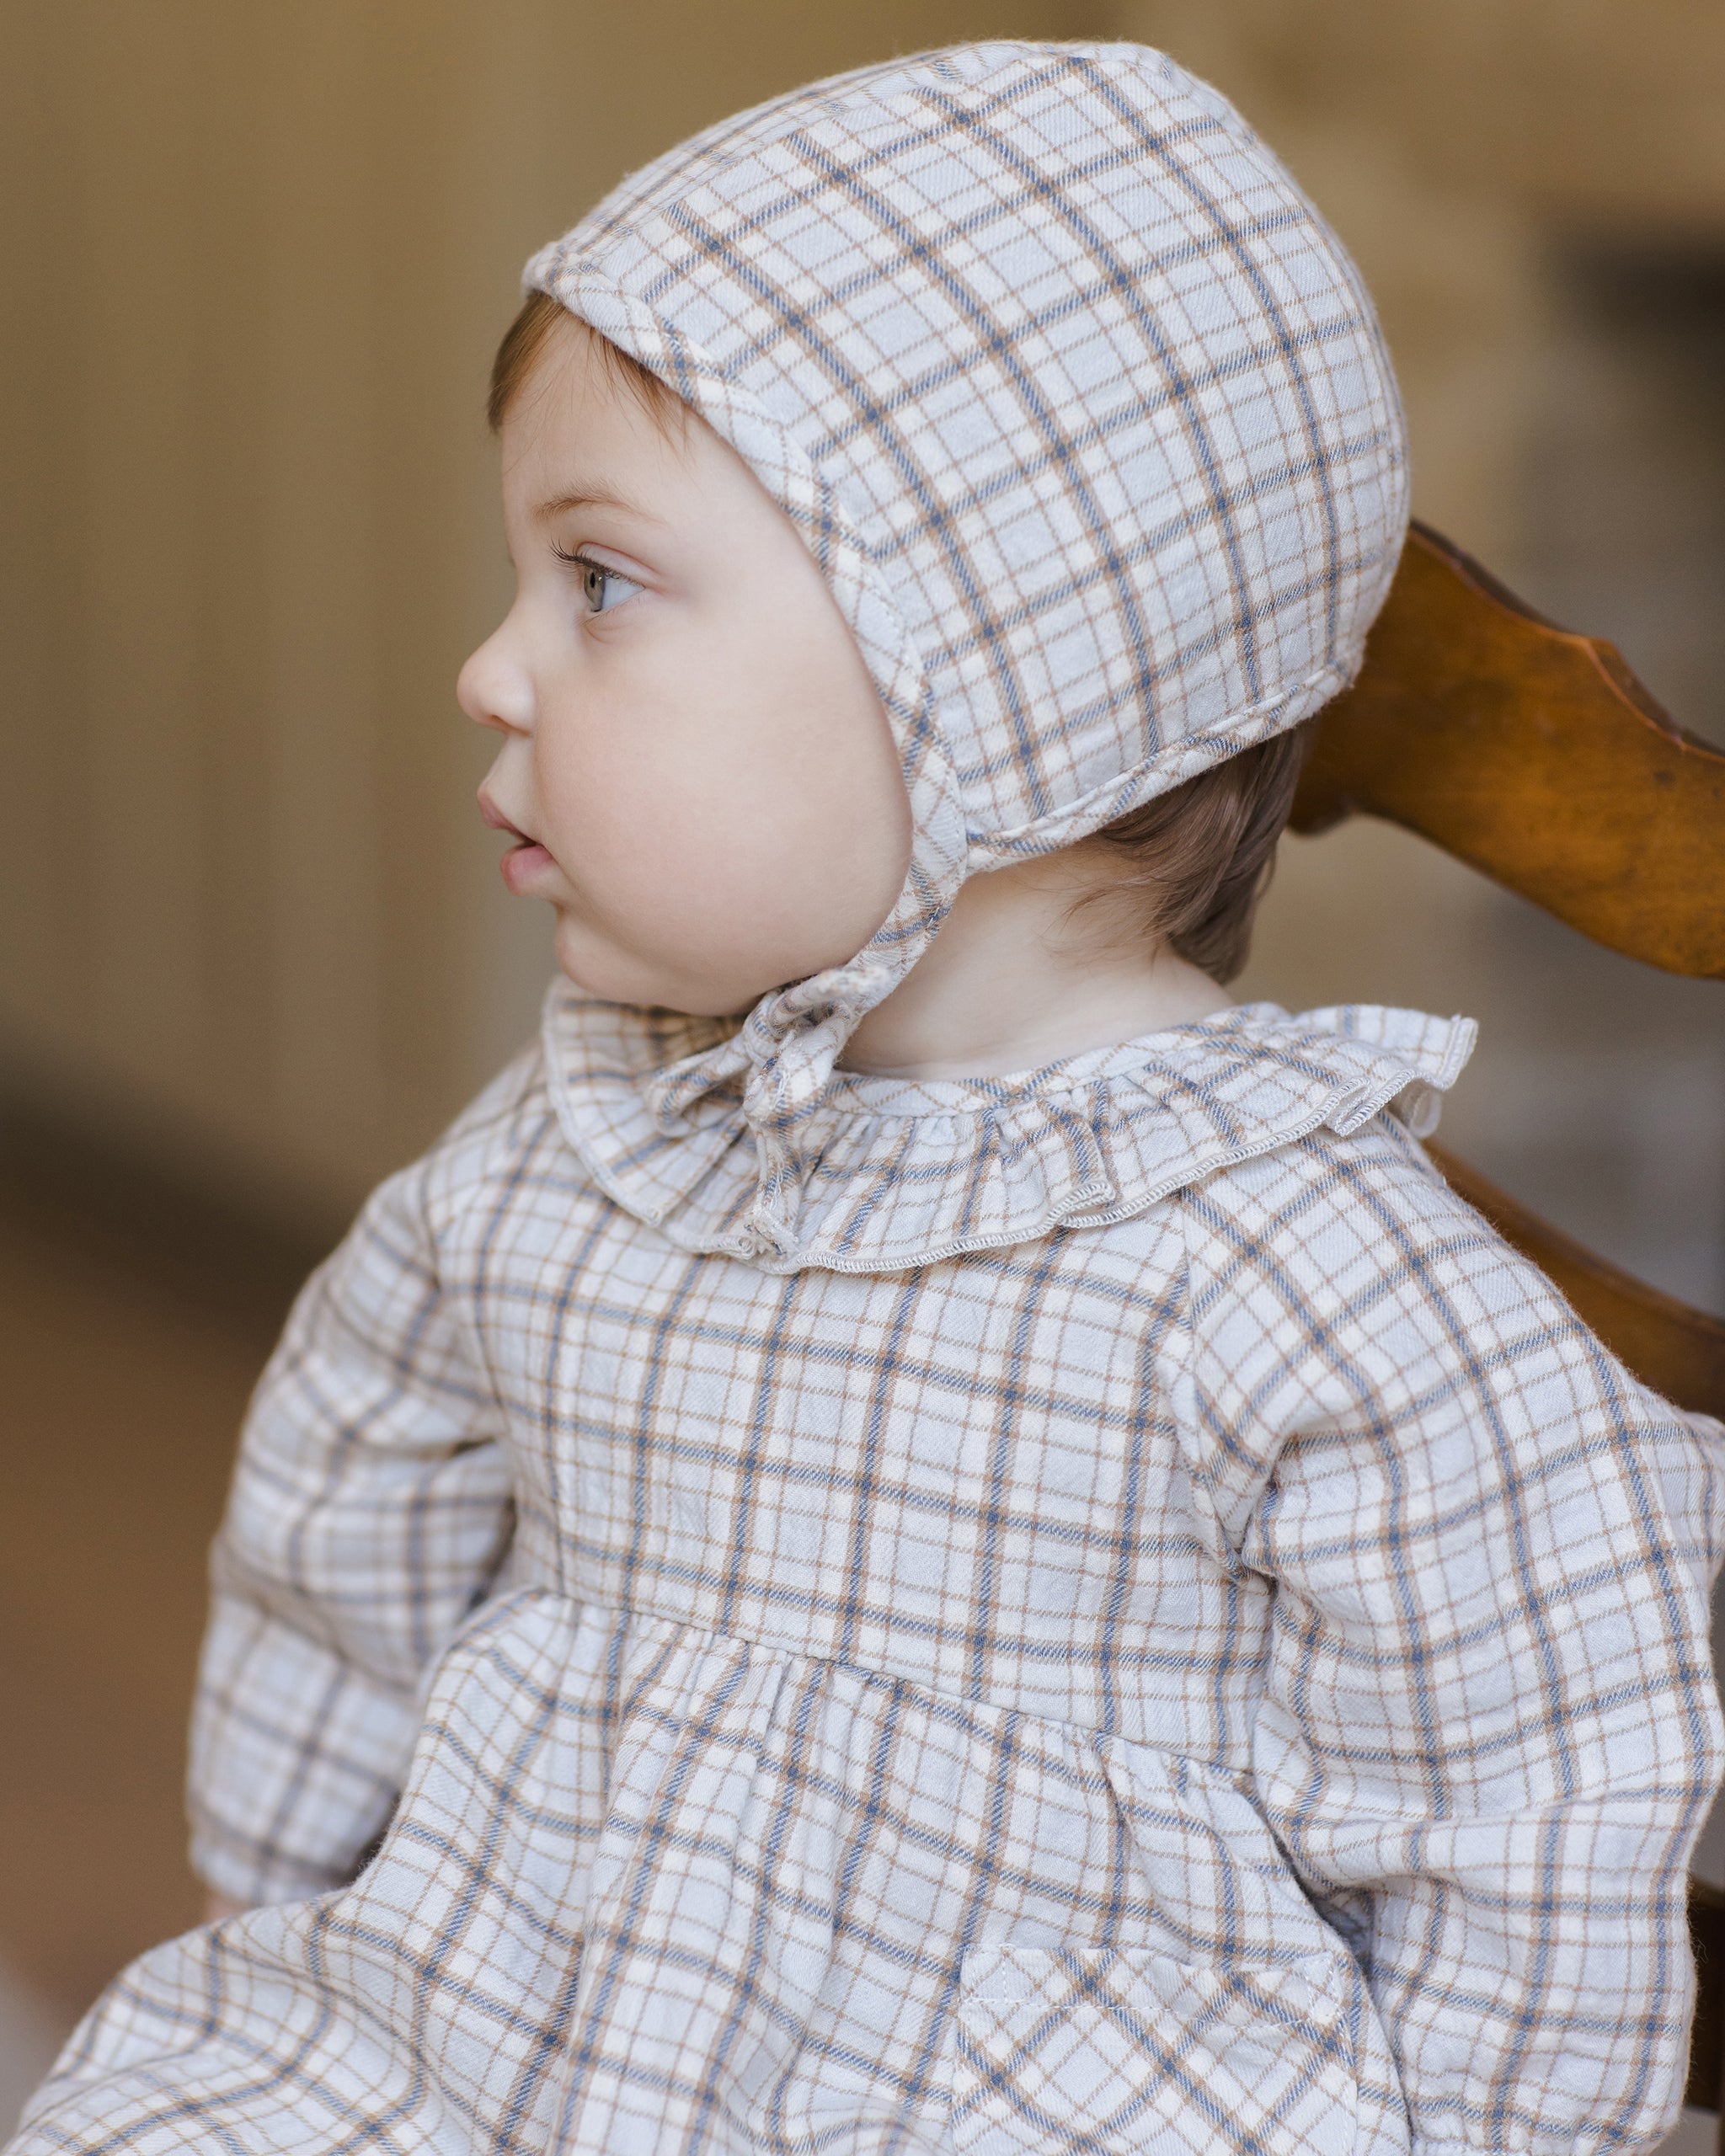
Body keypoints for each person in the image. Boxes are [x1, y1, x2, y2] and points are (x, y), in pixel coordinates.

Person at [13, 40, 1723, 2156]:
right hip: (509, 2019)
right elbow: (345, 1507)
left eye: (601, 581)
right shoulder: (585, 1145)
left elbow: (1534, 1799)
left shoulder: (1303, 1284)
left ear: (992, 669)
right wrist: (268, 1903)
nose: (492, 665)